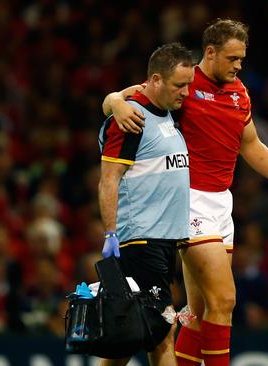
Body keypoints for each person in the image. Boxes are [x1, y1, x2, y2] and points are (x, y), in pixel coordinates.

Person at [103, 19, 268, 366]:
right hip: (188, 201)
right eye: (232, 58)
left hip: (220, 203)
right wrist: (115, 101)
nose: (238, 66)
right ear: (210, 52)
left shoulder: (239, 92)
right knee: (225, 300)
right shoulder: (183, 84)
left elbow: (252, 144)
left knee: (197, 310)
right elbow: (122, 98)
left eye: (241, 59)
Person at [97, 42, 194, 366]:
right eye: (180, 85)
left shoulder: (163, 112)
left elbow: (117, 98)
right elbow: (109, 178)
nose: (186, 92)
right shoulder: (130, 121)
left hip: (163, 242)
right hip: (141, 240)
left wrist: (113, 100)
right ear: (155, 80)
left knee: (127, 338)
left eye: (189, 85)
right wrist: (111, 233)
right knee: (163, 331)